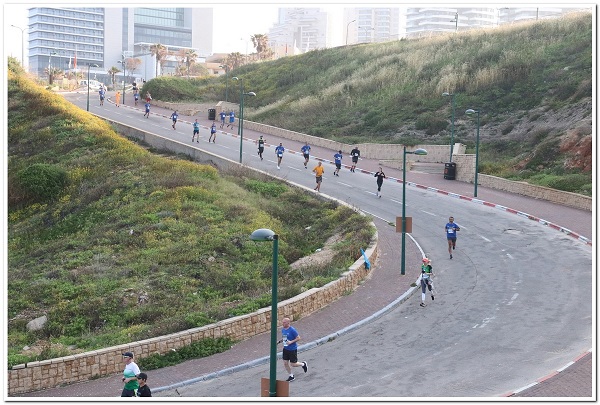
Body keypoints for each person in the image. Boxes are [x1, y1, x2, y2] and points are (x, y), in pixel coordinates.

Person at [277, 317, 308, 382]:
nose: (283, 323)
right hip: (285, 349)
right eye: (282, 322)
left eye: (284, 322)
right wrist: (279, 342)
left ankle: (303, 364)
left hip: (292, 349)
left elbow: (298, 338)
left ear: (288, 323)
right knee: (285, 363)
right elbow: (284, 338)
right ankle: (291, 375)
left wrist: (291, 342)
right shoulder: (283, 329)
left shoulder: (292, 330)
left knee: (293, 364)